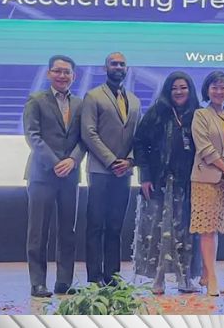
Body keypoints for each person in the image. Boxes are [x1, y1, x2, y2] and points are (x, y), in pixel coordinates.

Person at [23, 55, 86, 297]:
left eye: (67, 72)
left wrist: (72, 160)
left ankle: (64, 282)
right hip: (42, 175)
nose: (62, 76)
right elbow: (33, 136)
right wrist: (56, 162)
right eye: (57, 71)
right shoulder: (36, 100)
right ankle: (38, 283)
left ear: (74, 76)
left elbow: (84, 138)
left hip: (70, 175)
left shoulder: (80, 104)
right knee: (38, 231)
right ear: (49, 74)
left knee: (67, 231)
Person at [132, 71, 200, 295]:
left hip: (188, 183)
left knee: (185, 233)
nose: (179, 92)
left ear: (190, 90)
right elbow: (139, 143)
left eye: (183, 87)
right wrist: (145, 176)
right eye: (174, 88)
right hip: (159, 182)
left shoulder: (197, 115)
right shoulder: (156, 113)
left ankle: (185, 278)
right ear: (168, 91)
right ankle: (158, 278)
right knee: (159, 231)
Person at [81, 52, 141, 286]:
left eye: (122, 64)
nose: (118, 67)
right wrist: (111, 160)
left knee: (116, 226)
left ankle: (113, 276)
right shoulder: (93, 96)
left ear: (127, 69)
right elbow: (88, 132)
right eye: (113, 64)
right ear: (105, 68)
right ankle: (95, 278)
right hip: (100, 171)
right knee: (96, 225)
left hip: (124, 172)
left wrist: (130, 161)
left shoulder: (135, 101)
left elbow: (138, 137)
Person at [190, 70, 224, 296]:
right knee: (207, 229)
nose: (219, 91)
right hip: (206, 178)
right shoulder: (201, 115)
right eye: (214, 87)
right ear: (207, 90)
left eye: (223, 87)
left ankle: (205, 274)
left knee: (215, 229)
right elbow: (204, 148)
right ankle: (212, 279)